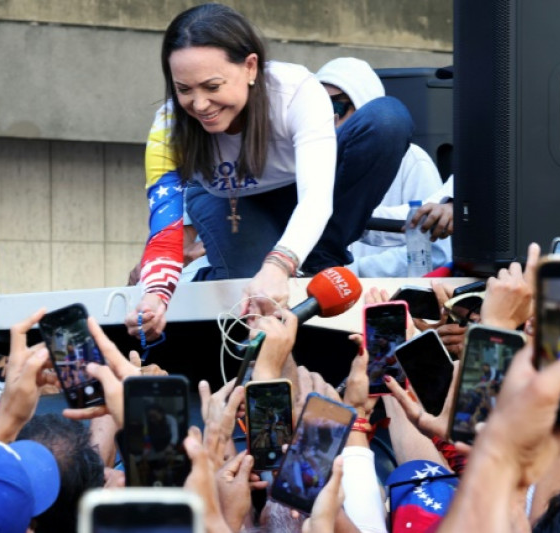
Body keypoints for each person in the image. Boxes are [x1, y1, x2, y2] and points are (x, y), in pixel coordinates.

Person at [126, 3, 414, 341]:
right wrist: (156, 295)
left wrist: (279, 265)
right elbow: (165, 225)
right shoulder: (168, 125)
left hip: (300, 193)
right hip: (228, 204)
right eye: (184, 90)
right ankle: (215, 274)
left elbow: (317, 197)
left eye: (213, 86)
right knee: (256, 298)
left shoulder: (296, 92)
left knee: (388, 118)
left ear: (250, 67)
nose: (200, 105)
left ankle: (320, 253)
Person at [312, 56, 453, 277]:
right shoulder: (309, 160)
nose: (329, 117)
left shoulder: (413, 161)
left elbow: (435, 252)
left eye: (335, 105)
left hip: (384, 300)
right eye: (317, 106)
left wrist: (351, 271)